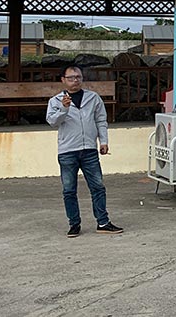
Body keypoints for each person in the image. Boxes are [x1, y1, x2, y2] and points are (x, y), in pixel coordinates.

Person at [46, 66, 123, 237]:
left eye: (78, 77)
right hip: (67, 151)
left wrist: (103, 141)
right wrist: (64, 108)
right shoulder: (56, 101)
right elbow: (52, 121)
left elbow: (101, 120)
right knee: (69, 190)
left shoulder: (93, 97)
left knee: (98, 187)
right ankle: (74, 224)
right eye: (71, 77)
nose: (75, 80)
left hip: (89, 150)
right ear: (63, 80)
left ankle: (103, 222)